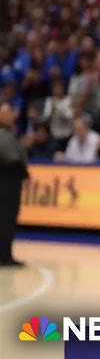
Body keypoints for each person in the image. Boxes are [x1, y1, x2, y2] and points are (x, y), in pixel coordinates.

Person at [0, 102, 29, 267]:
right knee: (5, 219)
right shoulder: (3, 135)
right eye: (3, 113)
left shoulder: (11, 134)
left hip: (12, 181)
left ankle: (6, 253)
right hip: (6, 182)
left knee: (9, 219)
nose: (6, 116)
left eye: (8, 112)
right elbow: (12, 159)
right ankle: (4, 256)